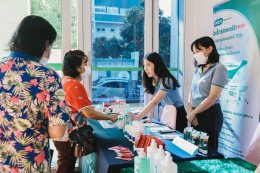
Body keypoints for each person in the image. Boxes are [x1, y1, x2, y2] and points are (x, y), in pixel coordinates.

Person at [0, 15, 70, 172]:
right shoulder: (47, 76)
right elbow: (57, 131)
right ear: (45, 44)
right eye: (50, 46)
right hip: (30, 164)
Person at [52, 50, 119, 173]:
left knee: (65, 164)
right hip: (67, 135)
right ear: (77, 67)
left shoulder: (65, 81)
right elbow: (90, 113)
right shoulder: (74, 85)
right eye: (85, 63)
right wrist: (110, 117)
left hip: (60, 131)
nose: (87, 67)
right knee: (66, 167)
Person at [187, 36, 228, 151]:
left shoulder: (219, 69)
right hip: (195, 114)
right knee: (194, 148)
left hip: (210, 114)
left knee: (207, 150)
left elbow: (212, 97)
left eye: (198, 50)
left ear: (209, 49)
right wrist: (191, 111)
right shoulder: (198, 68)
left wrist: (194, 112)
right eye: (194, 52)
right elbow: (191, 91)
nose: (196, 55)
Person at [133, 52, 187, 132]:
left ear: (157, 64)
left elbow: (155, 102)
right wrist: (149, 118)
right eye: (144, 65)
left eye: (148, 65)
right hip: (168, 112)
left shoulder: (167, 80)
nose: (145, 68)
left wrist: (137, 117)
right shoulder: (153, 80)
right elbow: (152, 100)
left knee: (176, 140)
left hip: (178, 114)